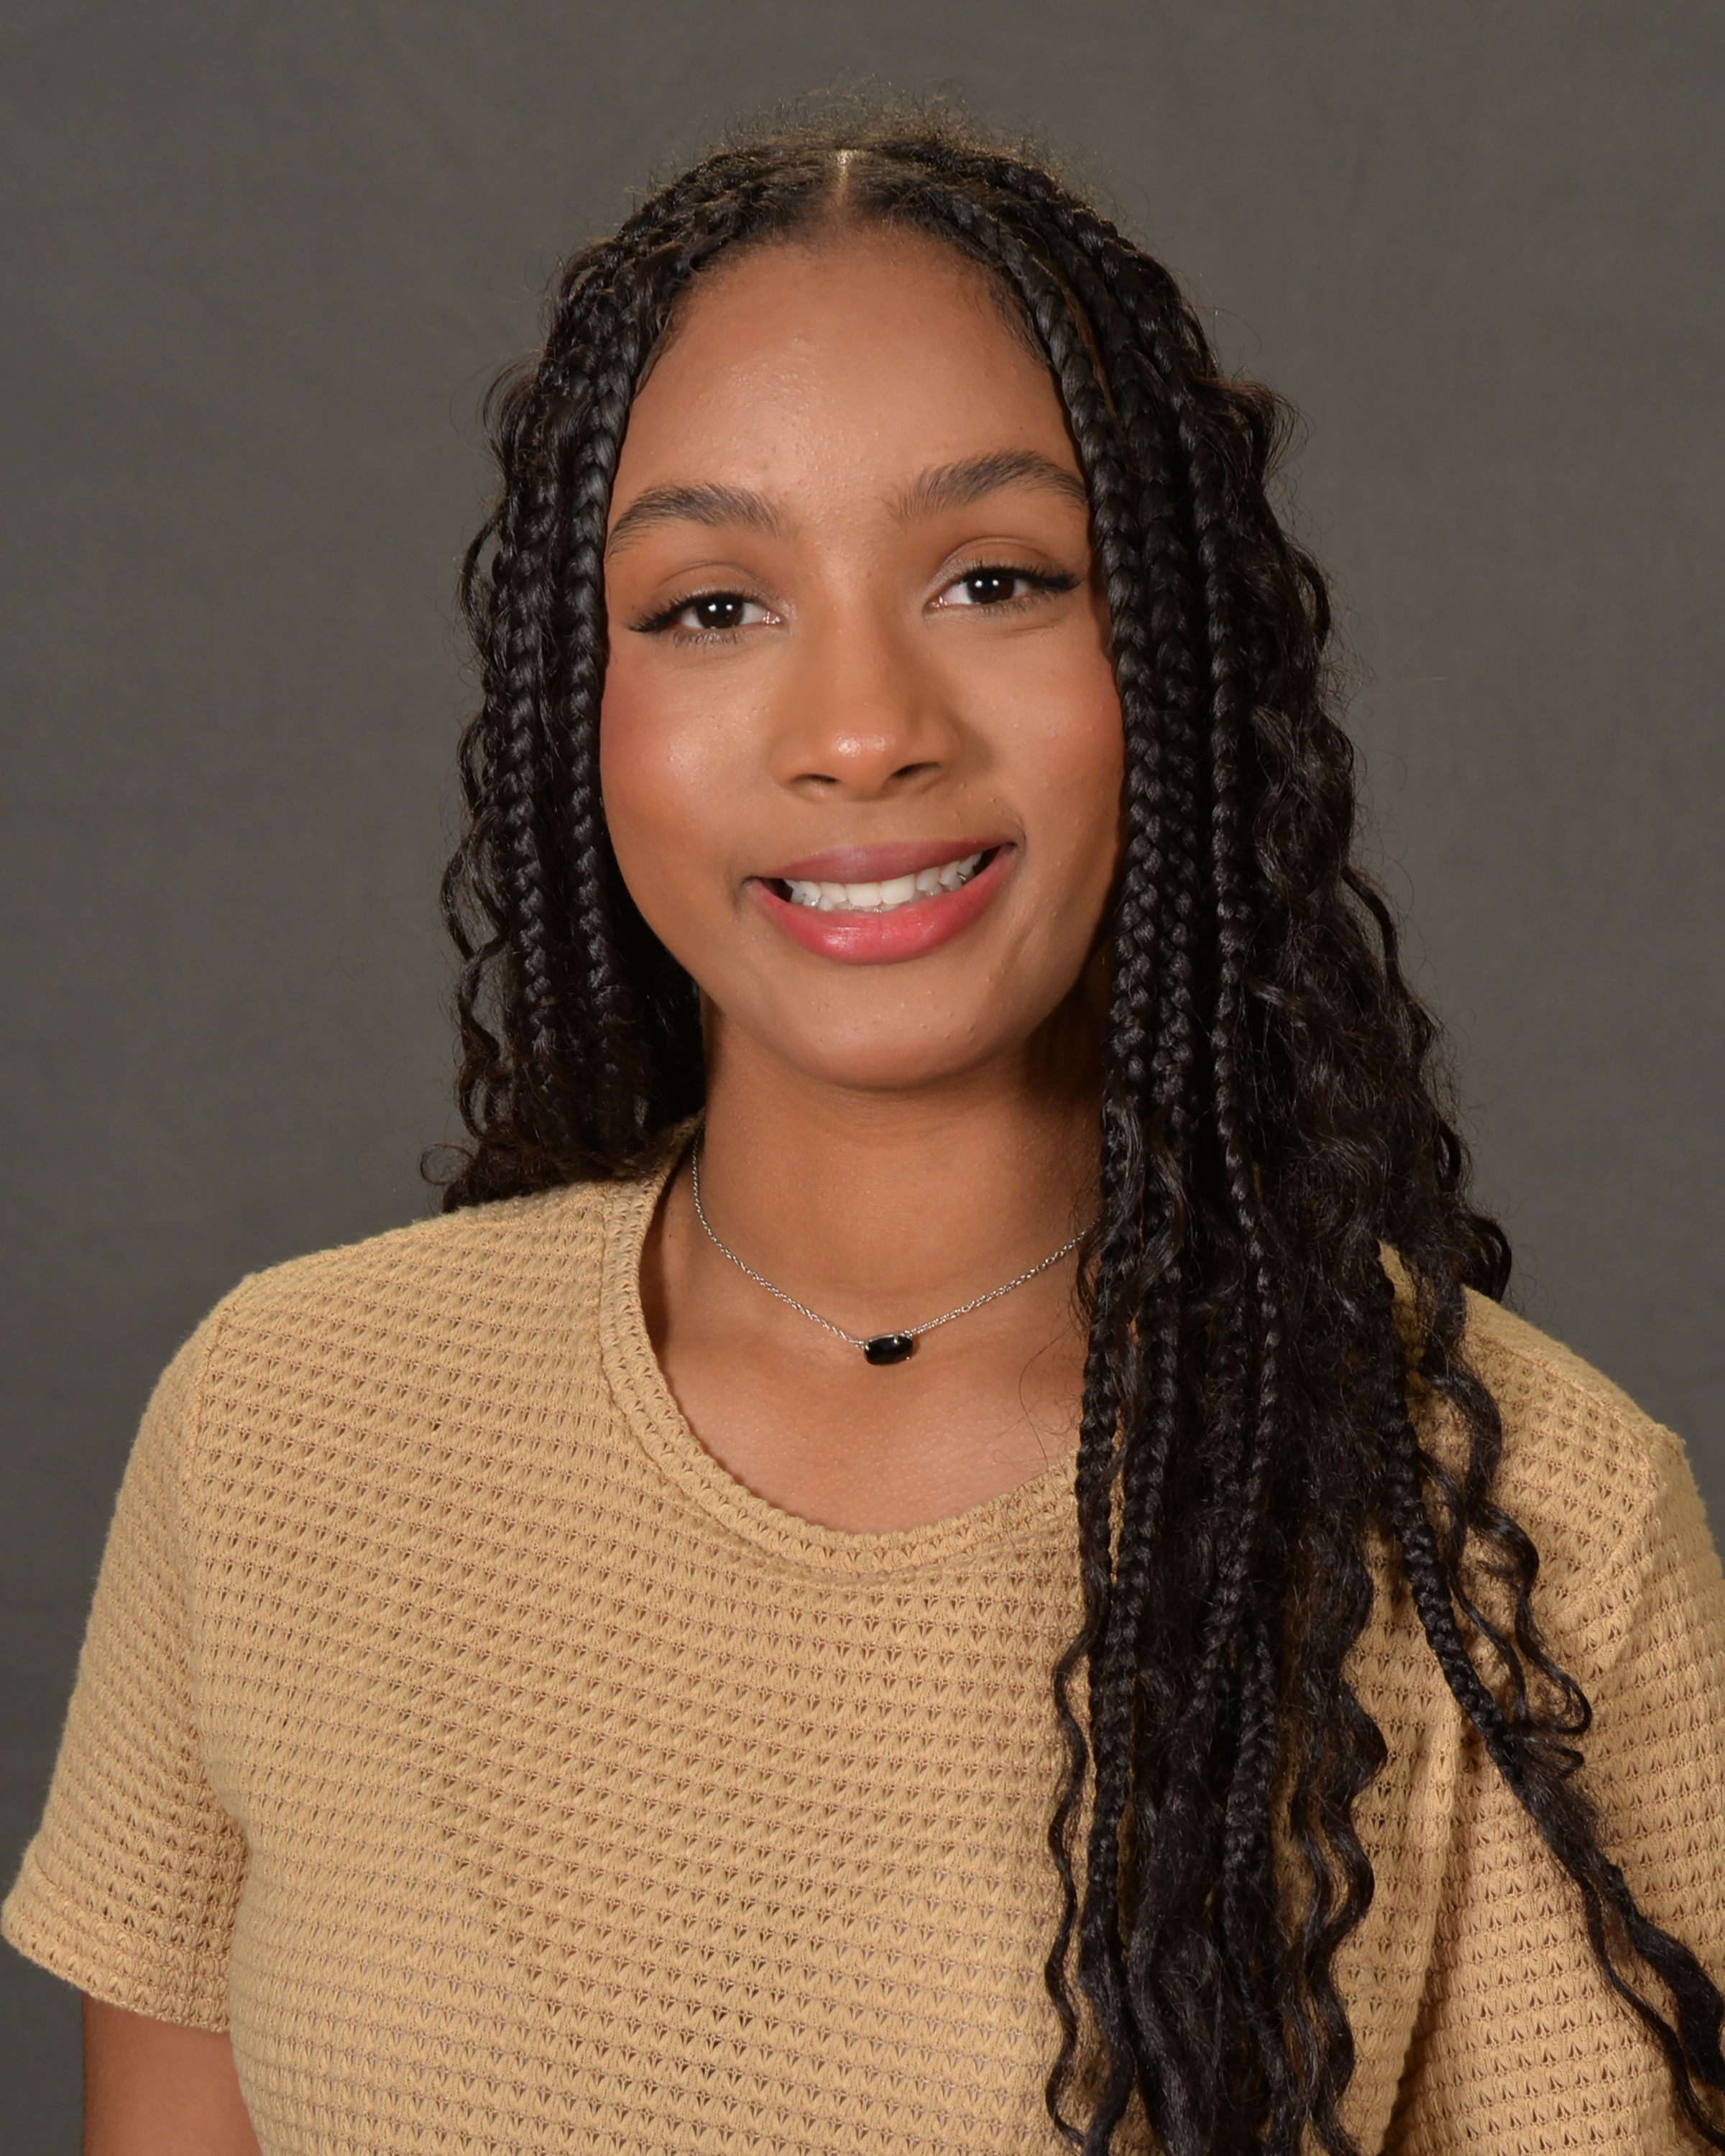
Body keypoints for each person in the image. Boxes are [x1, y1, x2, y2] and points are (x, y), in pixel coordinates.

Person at [6, 104, 1725, 2156]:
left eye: (996, 578)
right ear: (580, 708)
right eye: (711, 606)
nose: (858, 731)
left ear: (1173, 666)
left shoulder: (1517, 1537)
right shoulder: (280, 1427)